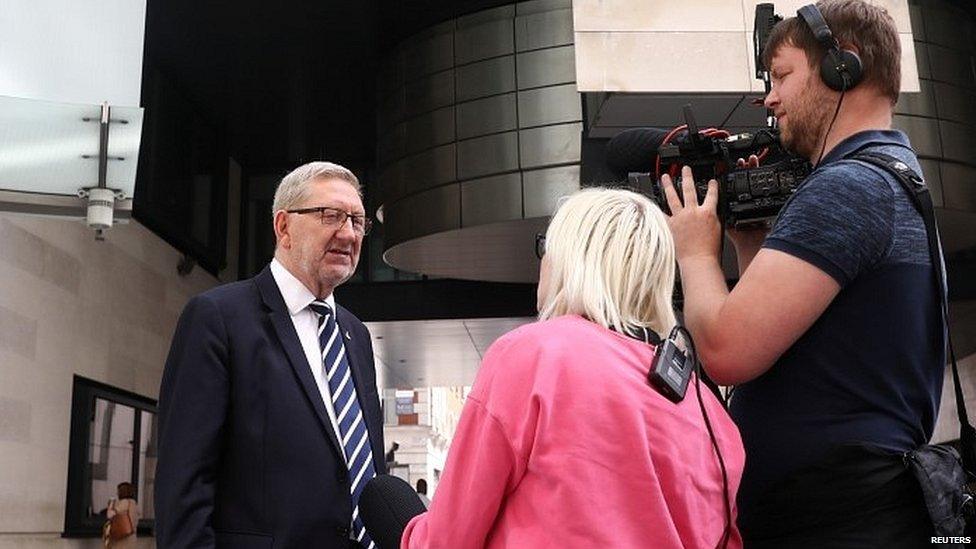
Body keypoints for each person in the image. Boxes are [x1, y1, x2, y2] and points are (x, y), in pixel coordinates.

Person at [662, 1, 942, 547]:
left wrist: (695, 252)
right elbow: (807, 352)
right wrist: (752, 250)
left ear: (845, 67)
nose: (769, 98)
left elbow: (724, 352)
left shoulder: (850, 187)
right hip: (852, 511)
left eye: (783, 75)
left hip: (837, 520)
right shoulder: (890, 177)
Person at [400, 188, 745, 548]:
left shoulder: (532, 355)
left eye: (546, 247)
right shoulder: (705, 406)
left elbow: (447, 538)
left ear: (570, 258)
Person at [155, 161, 386, 548]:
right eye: (331, 216)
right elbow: (184, 482)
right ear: (284, 227)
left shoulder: (356, 335)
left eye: (358, 221)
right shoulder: (218, 318)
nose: (348, 233)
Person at [105, 482, 139, 548]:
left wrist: (111, 503)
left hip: (122, 537)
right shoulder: (134, 503)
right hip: (132, 537)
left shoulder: (124, 503)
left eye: (118, 491)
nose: (117, 493)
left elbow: (109, 515)